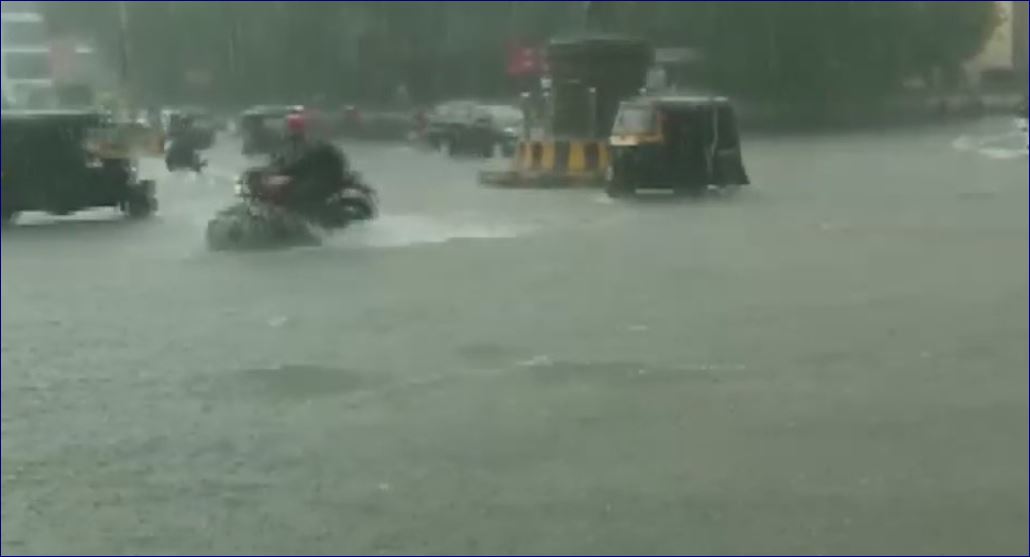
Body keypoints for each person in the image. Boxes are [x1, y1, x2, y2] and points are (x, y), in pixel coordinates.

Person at [266, 112, 353, 214]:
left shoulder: (306, 146)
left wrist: (283, 172)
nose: (283, 131)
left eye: (286, 127)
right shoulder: (295, 145)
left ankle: (300, 215)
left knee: (295, 195)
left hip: (318, 182)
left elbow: (301, 165)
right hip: (315, 179)